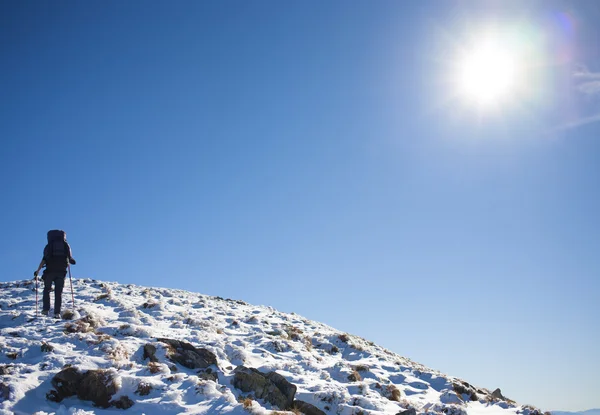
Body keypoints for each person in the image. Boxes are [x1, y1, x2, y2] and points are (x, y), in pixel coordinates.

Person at [34, 230, 76, 318]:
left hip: (50, 272)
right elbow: (70, 258)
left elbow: (44, 259)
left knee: (47, 290)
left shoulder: (48, 246)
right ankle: (57, 313)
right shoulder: (65, 246)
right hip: (61, 272)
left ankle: (45, 310)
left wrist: (37, 271)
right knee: (58, 293)